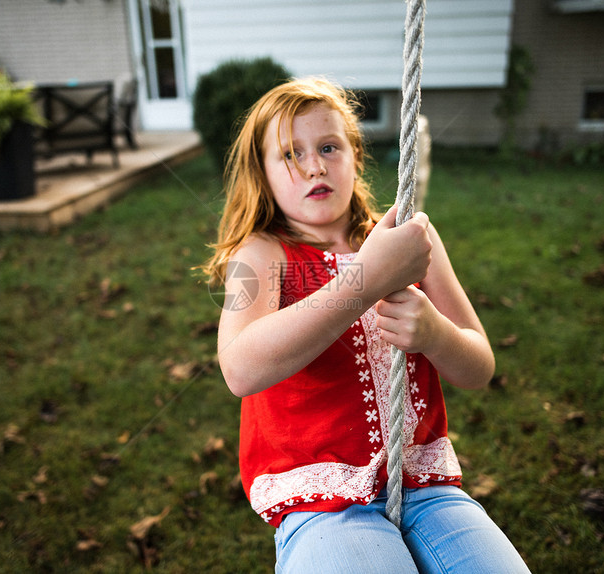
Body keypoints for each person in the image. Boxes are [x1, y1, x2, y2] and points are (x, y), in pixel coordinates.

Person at [202, 77, 530, 573]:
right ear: (263, 174)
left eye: (329, 146)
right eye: (290, 155)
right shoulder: (262, 254)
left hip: (427, 490)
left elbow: (479, 365)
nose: (314, 165)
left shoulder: (409, 239)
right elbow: (241, 369)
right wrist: (366, 279)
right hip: (321, 504)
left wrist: (436, 335)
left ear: (356, 154)